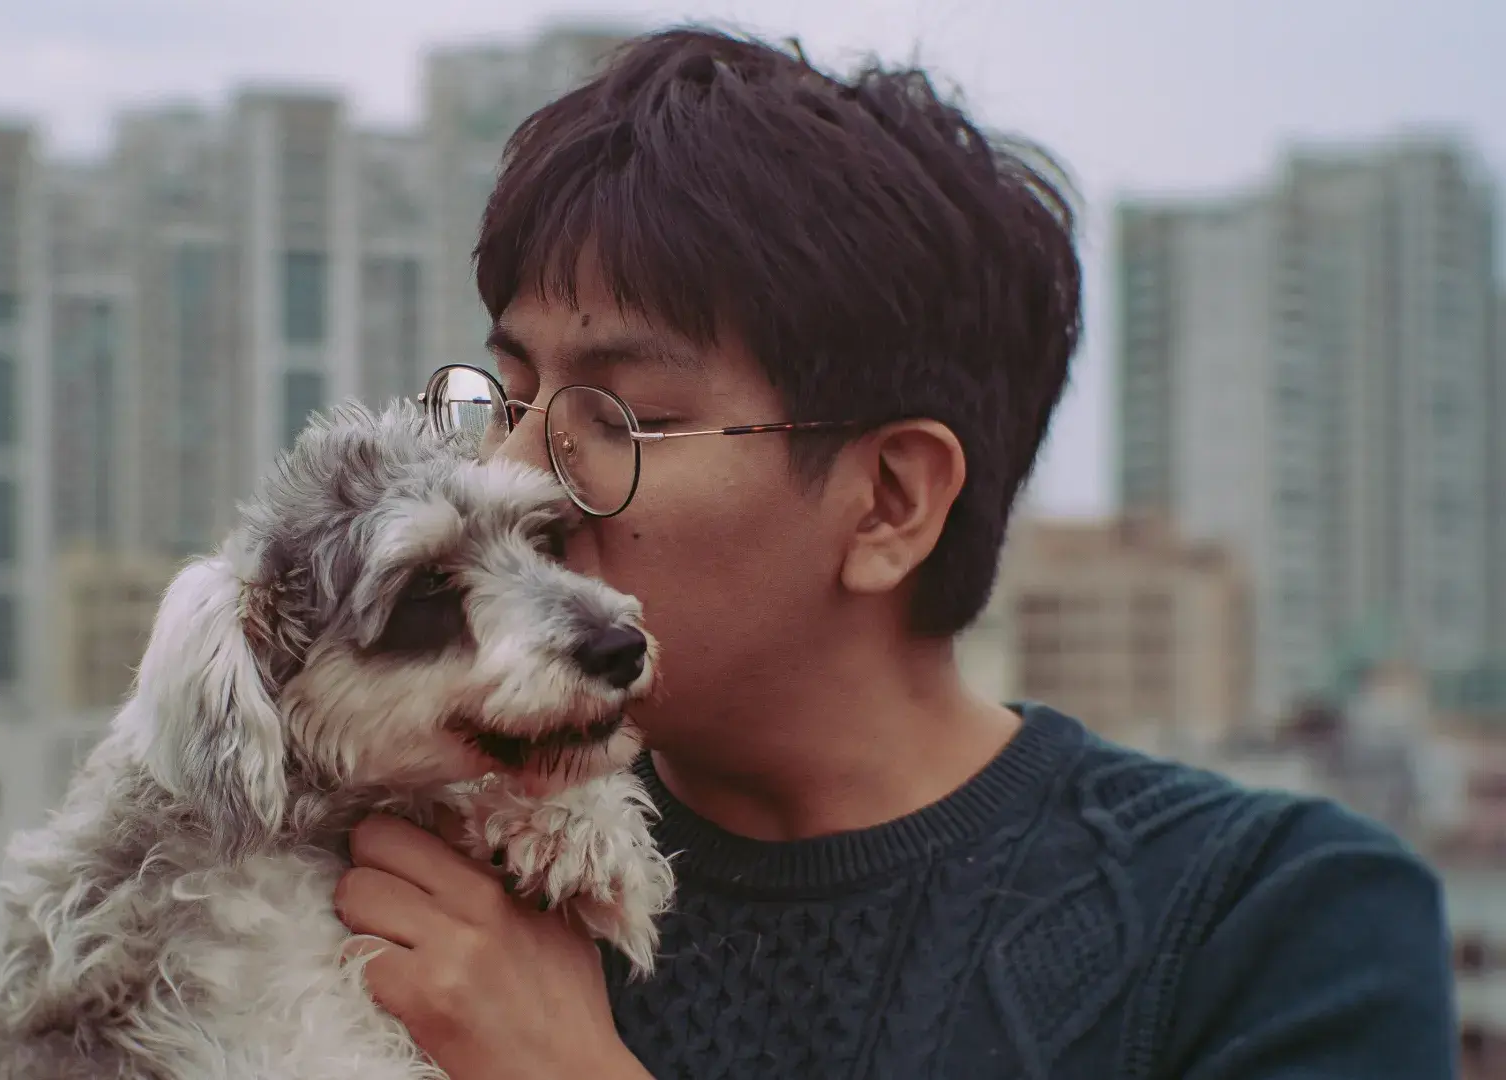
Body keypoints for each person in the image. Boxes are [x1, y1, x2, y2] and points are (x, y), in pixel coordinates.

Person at [331, 25, 1457, 1080]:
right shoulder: (416, 854)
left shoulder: (1274, 921)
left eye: (624, 417)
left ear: (889, 502)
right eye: (511, 397)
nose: (513, 480)